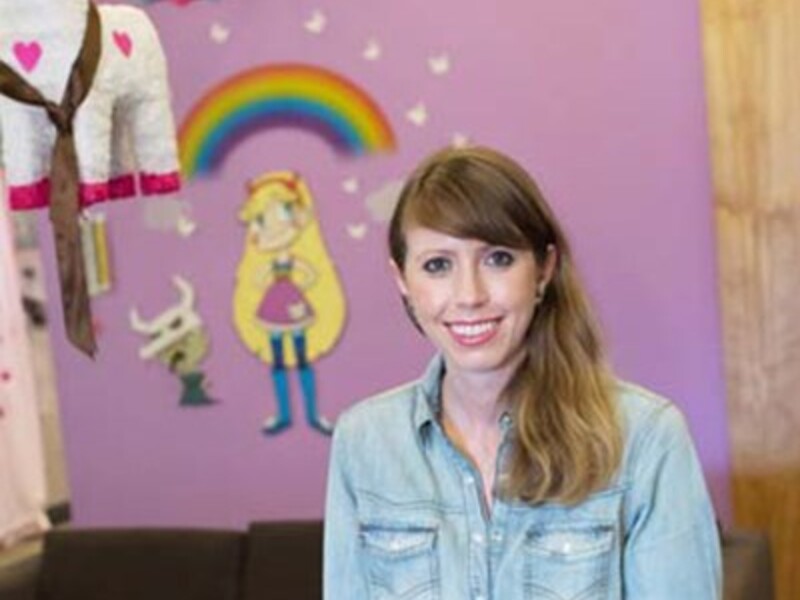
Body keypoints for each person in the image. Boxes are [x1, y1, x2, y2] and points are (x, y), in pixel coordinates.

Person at [323, 146, 722, 599]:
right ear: (403, 282)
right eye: (438, 265)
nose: (469, 294)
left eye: (497, 259)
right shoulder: (364, 441)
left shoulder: (646, 436)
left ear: (544, 269)